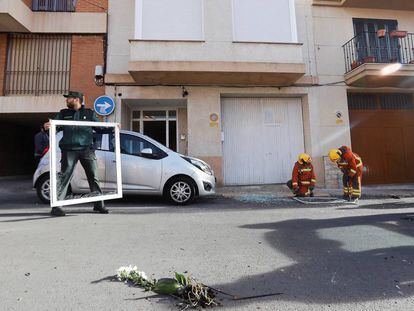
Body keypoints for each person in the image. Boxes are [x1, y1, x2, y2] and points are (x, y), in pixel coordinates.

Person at [44, 91, 112, 217]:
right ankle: (57, 207)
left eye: (68, 98)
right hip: (69, 150)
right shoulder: (63, 113)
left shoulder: (89, 113)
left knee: (93, 176)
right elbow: (55, 127)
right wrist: (47, 127)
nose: (66, 100)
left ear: (76, 99)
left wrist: (113, 127)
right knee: (64, 177)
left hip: (86, 150)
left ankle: (98, 204)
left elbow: (100, 128)